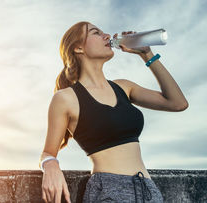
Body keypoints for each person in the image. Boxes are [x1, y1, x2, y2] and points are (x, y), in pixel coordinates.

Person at [39, 21, 188, 203]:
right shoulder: (65, 98)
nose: (107, 36)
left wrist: (146, 54)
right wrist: (51, 165)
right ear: (78, 48)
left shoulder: (124, 87)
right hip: (109, 192)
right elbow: (48, 152)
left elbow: (178, 103)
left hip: (148, 190)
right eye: (96, 33)